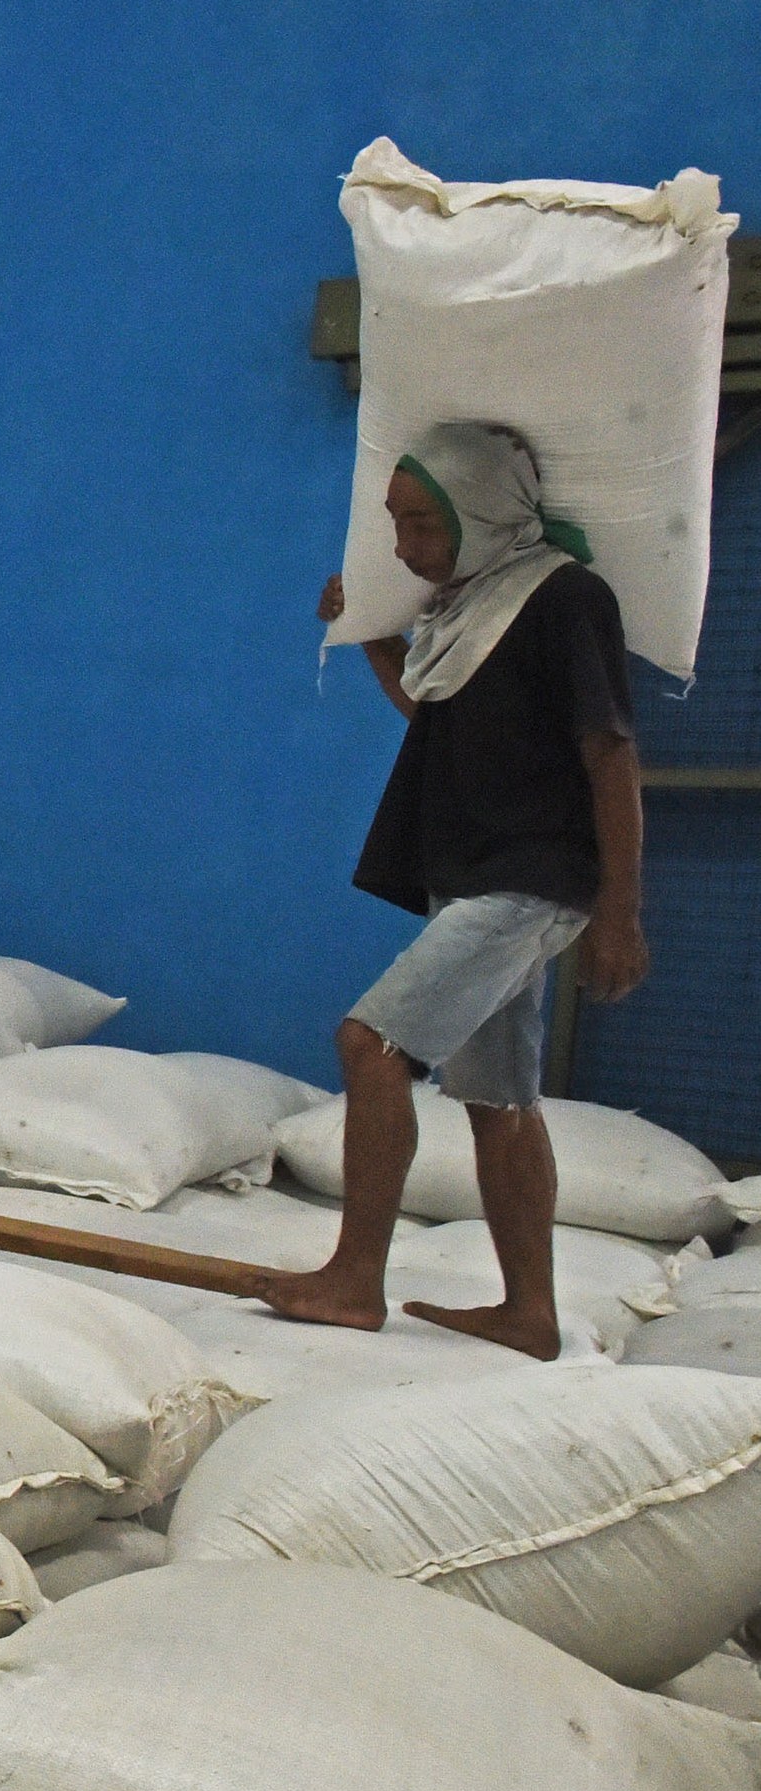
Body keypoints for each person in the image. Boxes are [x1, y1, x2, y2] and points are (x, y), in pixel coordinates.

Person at [259, 422, 650, 1358]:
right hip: (475, 874)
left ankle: (356, 1279)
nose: (403, 545)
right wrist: (366, 636)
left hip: (529, 878)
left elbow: (611, 753)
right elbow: (436, 709)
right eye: (395, 522)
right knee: (499, 1095)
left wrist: (621, 914)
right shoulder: (470, 608)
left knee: (371, 1041)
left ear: (482, 512)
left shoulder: (563, 598)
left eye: (422, 522)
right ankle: (530, 1312)